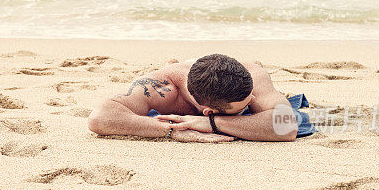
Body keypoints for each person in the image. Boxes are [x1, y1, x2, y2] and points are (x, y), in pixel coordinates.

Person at [87, 54, 299, 142]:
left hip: (213, 74)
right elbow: (100, 118)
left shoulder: (251, 75)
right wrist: (173, 130)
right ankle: (173, 60)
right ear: (209, 109)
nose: (253, 98)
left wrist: (211, 124)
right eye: (243, 106)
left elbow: (286, 126)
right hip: (182, 78)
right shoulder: (163, 88)